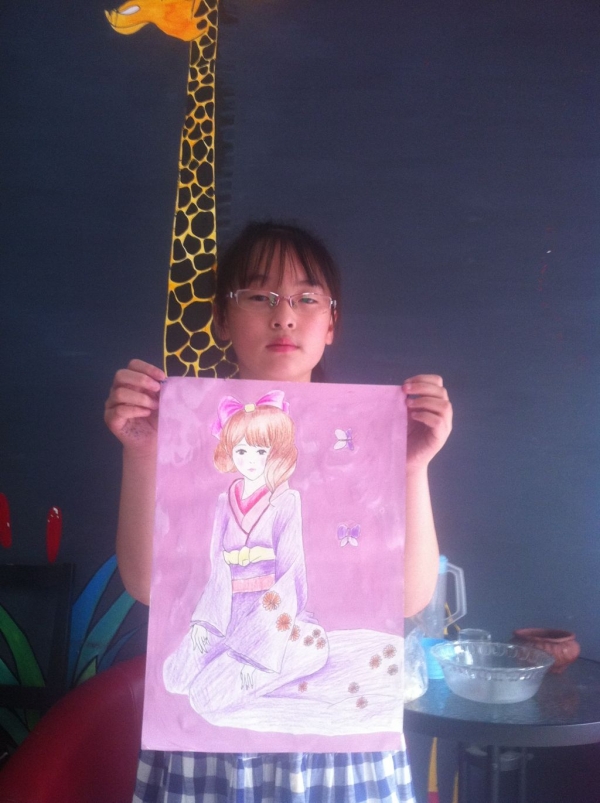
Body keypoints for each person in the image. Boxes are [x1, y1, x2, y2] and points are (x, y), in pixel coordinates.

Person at [104, 221, 453, 803]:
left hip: (337, 760)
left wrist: (414, 467)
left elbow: (409, 598)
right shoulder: (182, 434)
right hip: (209, 755)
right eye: (259, 295)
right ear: (221, 317)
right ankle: (229, 648)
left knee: (271, 641)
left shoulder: (371, 440)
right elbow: (146, 585)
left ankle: (277, 652)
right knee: (204, 672)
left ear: (331, 322)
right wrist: (141, 450)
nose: (284, 316)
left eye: (306, 298)